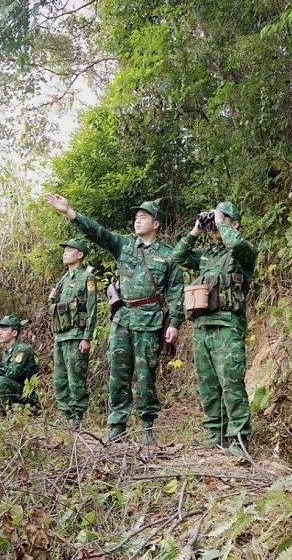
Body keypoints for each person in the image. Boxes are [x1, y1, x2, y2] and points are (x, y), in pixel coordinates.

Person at [45, 194, 184, 445]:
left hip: (149, 320)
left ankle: (146, 427)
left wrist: (174, 322)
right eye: (136, 217)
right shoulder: (124, 245)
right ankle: (116, 427)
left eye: (144, 217)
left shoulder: (168, 255)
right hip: (122, 320)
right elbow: (98, 232)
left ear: (156, 224)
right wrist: (70, 213)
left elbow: (175, 291)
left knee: (145, 376)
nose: (137, 220)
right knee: (117, 375)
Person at [172, 202, 257, 457]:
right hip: (202, 327)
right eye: (216, 220)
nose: (216, 225)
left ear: (235, 224)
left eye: (224, 219)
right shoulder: (207, 257)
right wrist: (196, 230)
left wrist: (221, 221)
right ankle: (215, 432)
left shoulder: (243, 252)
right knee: (208, 384)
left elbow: (238, 245)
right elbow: (177, 257)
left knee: (231, 383)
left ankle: (239, 439)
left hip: (227, 326)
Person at [48, 238, 98, 429]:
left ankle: (76, 416)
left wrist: (87, 337)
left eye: (70, 250)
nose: (65, 253)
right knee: (59, 377)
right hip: (61, 335)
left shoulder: (87, 277)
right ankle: (64, 413)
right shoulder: (63, 279)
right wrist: (52, 299)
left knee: (75, 376)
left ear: (80, 255)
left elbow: (92, 309)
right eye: (65, 250)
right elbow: (57, 310)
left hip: (77, 335)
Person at [0, 315, 40, 410]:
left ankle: (11, 413)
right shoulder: (7, 352)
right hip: (16, 390)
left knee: (0, 381)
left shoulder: (22, 350)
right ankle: (2, 412)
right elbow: (2, 370)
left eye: (4, 329)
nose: (0, 333)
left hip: (27, 395)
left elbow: (11, 374)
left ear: (14, 333)